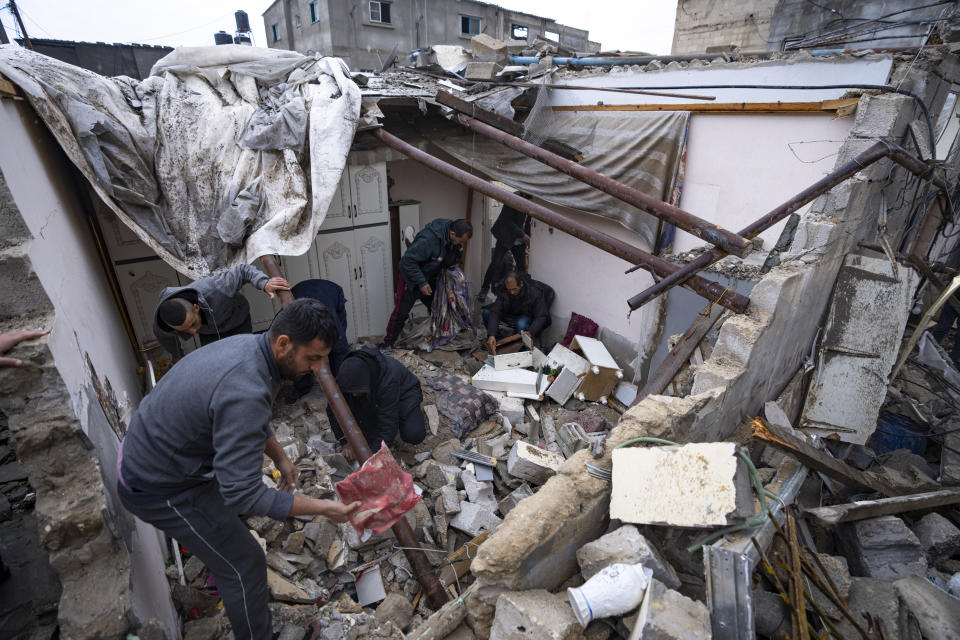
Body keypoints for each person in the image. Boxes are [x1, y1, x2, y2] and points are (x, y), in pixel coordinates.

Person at [118, 299, 360, 640]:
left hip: (169, 457)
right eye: (313, 358)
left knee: (230, 521)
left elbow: (247, 417)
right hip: (158, 487)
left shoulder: (251, 348)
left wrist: (280, 457)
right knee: (244, 564)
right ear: (284, 344)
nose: (319, 368)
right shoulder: (247, 386)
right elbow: (243, 493)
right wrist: (324, 508)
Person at [153, 265, 290, 359]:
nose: (193, 332)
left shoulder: (215, 288)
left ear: (196, 307)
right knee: (216, 363)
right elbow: (164, 335)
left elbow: (242, 271)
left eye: (193, 324)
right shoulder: (163, 324)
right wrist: (177, 355)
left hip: (237, 320)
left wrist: (264, 283)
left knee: (246, 357)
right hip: (209, 334)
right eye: (185, 330)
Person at [382, 218, 473, 348]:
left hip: (430, 273)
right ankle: (388, 344)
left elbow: (453, 256)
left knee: (438, 307)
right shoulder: (429, 240)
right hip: (411, 277)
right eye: (460, 240)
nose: (461, 243)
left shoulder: (452, 238)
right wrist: (422, 283)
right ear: (452, 233)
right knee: (401, 312)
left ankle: (438, 336)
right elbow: (407, 262)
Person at [326, 346, 426, 463]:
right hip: (371, 391)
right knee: (365, 433)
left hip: (405, 392)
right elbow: (333, 410)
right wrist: (345, 441)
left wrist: (370, 459)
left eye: (356, 391)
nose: (353, 395)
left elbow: (388, 423)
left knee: (413, 433)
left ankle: (408, 414)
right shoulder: (346, 375)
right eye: (351, 391)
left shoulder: (388, 381)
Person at [484, 271, 552, 355]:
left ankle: (520, 349)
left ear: (521, 284)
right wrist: (491, 334)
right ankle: (499, 342)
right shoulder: (504, 291)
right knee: (487, 313)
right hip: (510, 313)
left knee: (521, 323)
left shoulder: (535, 294)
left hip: (526, 315)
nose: (512, 292)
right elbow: (496, 311)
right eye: (509, 289)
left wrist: (530, 332)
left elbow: (541, 316)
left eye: (514, 289)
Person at [479, 194, 532, 299]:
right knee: (495, 263)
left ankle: (520, 292)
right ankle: (484, 289)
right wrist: (523, 235)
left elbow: (528, 222)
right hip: (506, 236)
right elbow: (507, 221)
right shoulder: (514, 198)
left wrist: (528, 236)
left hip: (520, 240)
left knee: (522, 267)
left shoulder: (534, 200)